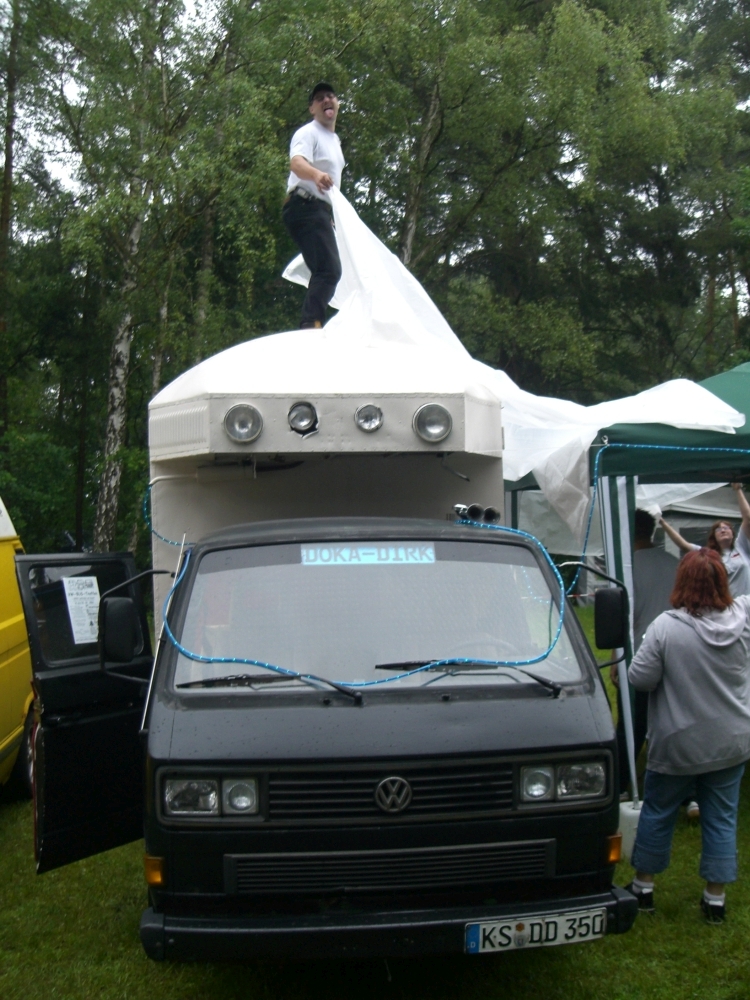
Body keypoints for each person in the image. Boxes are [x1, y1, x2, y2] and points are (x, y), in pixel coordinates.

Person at [624, 547, 750, 923]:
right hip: (731, 739)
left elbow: (639, 678)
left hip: (678, 742)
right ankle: (715, 899)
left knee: (658, 810)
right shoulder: (744, 616)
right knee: (722, 817)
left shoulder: (665, 626)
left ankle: (643, 889)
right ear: (722, 581)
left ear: (681, 582)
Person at [611, 509, 678, 798]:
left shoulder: (627, 569)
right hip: (676, 654)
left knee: (631, 725)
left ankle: (620, 785)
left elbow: (625, 619)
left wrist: (615, 659)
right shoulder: (674, 563)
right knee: (671, 723)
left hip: (640, 656)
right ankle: (682, 789)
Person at [283, 82, 345, 329]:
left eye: (331, 96)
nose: (326, 100)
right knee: (328, 270)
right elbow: (297, 163)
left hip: (317, 209)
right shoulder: (308, 133)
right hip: (304, 204)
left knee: (326, 269)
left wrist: (330, 215)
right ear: (312, 109)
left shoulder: (334, 140)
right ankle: (310, 324)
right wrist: (316, 175)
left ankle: (312, 320)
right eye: (319, 98)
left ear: (337, 104)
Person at [660, 482, 750, 597]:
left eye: (726, 528)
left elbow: (748, 518)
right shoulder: (709, 555)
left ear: (733, 533)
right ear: (714, 537)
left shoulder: (741, 547)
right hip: (728, 605)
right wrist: (662, 522)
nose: (722, 530)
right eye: (718, 529)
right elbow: (684, 545)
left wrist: (738, 490)